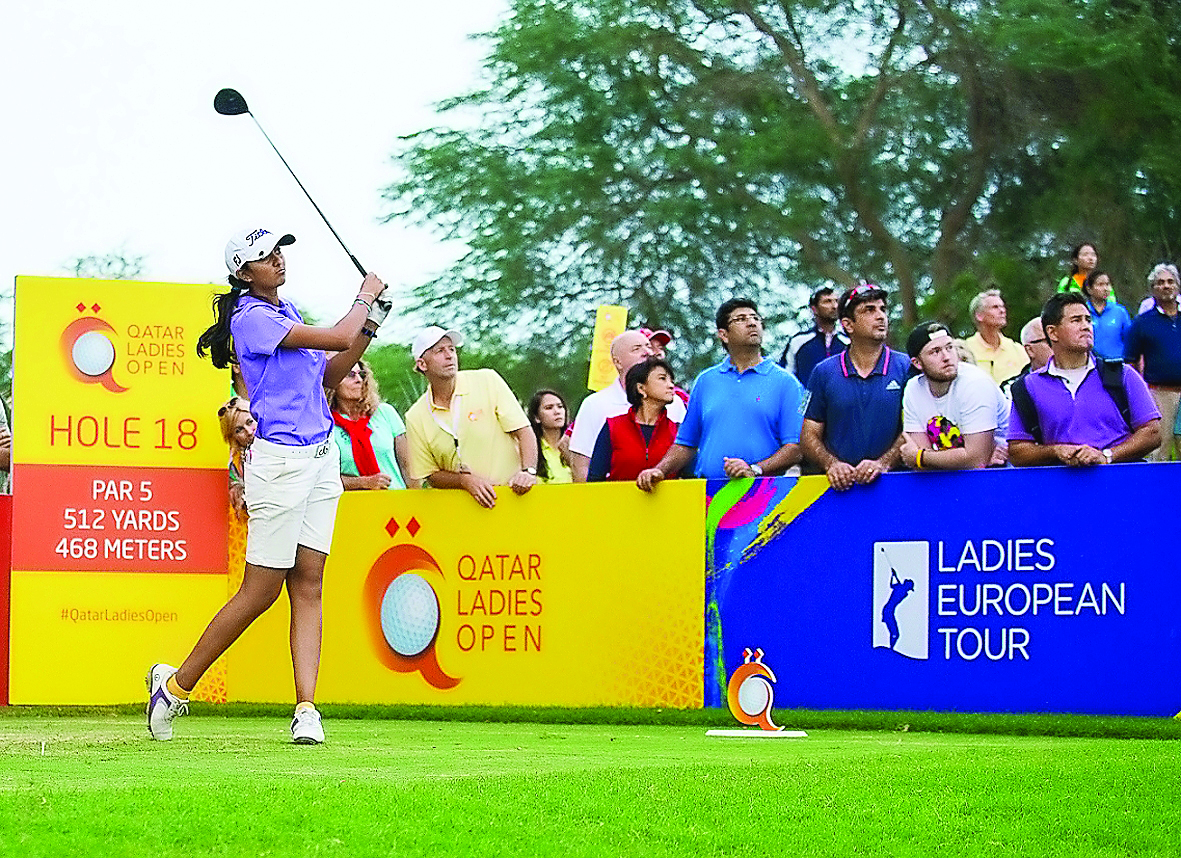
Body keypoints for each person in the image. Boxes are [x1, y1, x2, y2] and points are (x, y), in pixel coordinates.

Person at [149, 227, 389, 745]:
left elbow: (331, 371)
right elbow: (335, 337)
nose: (277, 261)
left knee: (309, 581)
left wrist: (370, 322)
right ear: (243, 273)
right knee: (261, 590)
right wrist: (363, 297)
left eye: (278, 252)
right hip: (278, 463)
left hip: (323, 457)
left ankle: (306, 710)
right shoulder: (252, 319)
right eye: (264, 257)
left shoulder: (289, 308)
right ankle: (174, 686)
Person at [638, 299, 804, 490]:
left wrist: (755, 469)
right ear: (723, 335)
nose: (752, 323)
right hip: (708, 495)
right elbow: (686, 443)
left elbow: (795, 448)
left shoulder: (786, 383)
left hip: (763, 496)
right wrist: (660, 470)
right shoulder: (705, 381)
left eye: (755, 318)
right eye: (741, 319)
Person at [1009, 292, 1160, 467]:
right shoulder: (1027, 387)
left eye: (1088, 320)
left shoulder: (1122, 374)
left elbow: (1153, 433)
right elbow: (1017, 451)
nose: (1086, 326)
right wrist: (1055, 451)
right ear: (1052, 332)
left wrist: (1107, 456)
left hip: (1120, 485)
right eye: (1076, 320)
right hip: (1059, 488)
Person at [404, 326, 537, 508]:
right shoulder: (415, 416)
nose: (450, 355)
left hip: (513, 499)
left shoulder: (488, 380)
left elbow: (523, 431)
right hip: (463, 512)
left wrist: (528, 471)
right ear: (422, 364)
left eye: (452, 349)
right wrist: (464, 481)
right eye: (439, 351)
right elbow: (431, 474)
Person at [800, 284, 908, 490]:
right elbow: (808, 436)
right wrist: (832, 464)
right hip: (838, 491)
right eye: (869, 310)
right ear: (848, 325)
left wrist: (883, 463)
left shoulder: (906, 367)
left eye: (883, 309)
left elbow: (916, 428)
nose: (880, 316)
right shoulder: (822, 372)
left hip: (896, 488)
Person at [568, 330, 686, 481]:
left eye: (648, 347)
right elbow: (581, 465)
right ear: (617, 362)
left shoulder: (675, 403)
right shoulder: (594, 404)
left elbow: (686, 457)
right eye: (636, 349)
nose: (647, 352)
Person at [899, 322, 998, 471]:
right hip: (947, 480)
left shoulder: (975, 383)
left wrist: (920, 457)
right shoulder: (914, 389)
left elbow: (976, 460)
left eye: (950, 348)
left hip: (1000, 472)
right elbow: (923, 469)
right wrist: (926, 459)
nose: (946, 357)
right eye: (935, 351)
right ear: (917, 363)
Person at [589, 358, 681, 482]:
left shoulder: (677, 431)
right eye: (662, 378)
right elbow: (595, 478)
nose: (671, 385)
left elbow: (692, 478)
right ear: (641, 388)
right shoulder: (613, 427)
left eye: (672, 381)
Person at [1124, 264, 1181, 461]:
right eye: (1160, 283)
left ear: (1177, 286)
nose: (1166, 286)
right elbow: (1129, 361)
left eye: (1170, 282)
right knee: (1159, 451)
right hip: (1159, 394)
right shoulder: (1142, 323)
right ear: (1153, 289)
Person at [327, 358, 411, 490]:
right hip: (352, 505)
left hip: (396, 502)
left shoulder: (385, 413)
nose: (359, 380)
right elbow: (323, 479)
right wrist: (362, 482)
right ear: (333, 382)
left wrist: (416, 504)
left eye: (362, 375)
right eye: (350, 375)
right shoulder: (325, 424)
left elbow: (408, 467)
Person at [779, 286, 848, 385]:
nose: (834, 306)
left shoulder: (848, 341)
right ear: (814, 309)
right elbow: (786, 375)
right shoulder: (799, 341)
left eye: (836, 301)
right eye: (827, 302)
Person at [962, 289, 1029, 384]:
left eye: (1002, 307)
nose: (1002, 311)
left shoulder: (1017, 349)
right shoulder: (965, 350)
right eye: (995, 307)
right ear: (979, 315)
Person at [218, 395, 256, 520]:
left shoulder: (279, 444)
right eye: (239, 430)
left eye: (250, 422)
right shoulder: (235, 463)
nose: (249, 431)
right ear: (232, 437)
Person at [1083, 271, 1132, 361]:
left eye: (1107, 284)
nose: (1105, 288)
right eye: (1100, 284)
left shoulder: (1119, 311)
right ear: (1089, 289)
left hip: (1117, 363)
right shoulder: (1083, 312)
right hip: (1090, 364)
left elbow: (1130, 339)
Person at [527, 389, 573, 484]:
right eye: (549, 408)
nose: (557, 412)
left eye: (560, 407)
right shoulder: (531, 449)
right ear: (537, 417)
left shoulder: (574, 445)